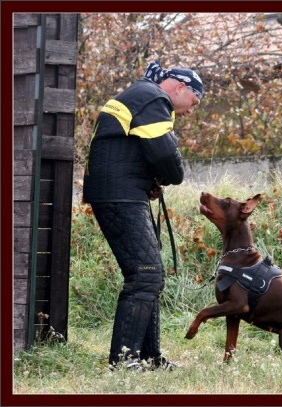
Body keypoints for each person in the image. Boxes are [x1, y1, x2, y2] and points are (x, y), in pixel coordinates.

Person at [83, 60, 203, 371]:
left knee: (149, 276)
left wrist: (148, 182)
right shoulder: (153, 97)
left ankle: (149, 357)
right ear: (180, 88)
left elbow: (130, 150)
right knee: (145, 275)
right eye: (195, 100)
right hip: (119, 197)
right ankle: (124, 361)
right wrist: (170, 176)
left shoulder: (141, 95)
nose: (191, 110)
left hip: (120, 193)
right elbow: (164, 154)